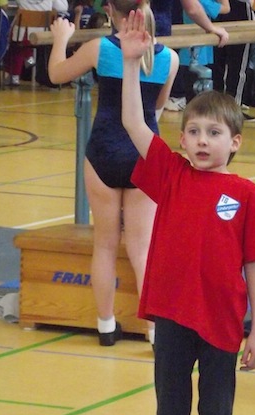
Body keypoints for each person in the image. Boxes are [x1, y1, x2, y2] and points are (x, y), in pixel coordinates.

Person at [120, 10, 255, 415]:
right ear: (182, 140)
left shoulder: (246, 194)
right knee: (170, 414)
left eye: (214, 132)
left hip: (221, 321)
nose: (202, 140)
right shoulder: (171, 176)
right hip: (172, 316)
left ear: (235, 142)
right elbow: (134, 124)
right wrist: (131, 63)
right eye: (193, 131)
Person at [47, 0, 178, 346]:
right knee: (142, 248)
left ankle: (106, 325)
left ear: (109, 11)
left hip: (104, 150)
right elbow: (158, 104)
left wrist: (61, 38)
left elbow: (56, 74)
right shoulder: (169, 58)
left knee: (104, 245)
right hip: (144, 152)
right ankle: (155, 331)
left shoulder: (99, 48)